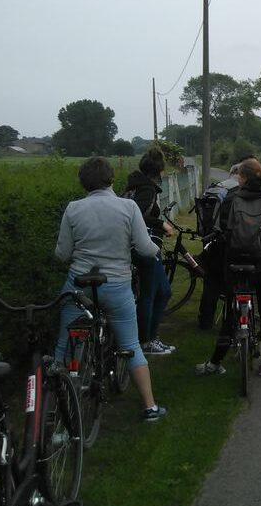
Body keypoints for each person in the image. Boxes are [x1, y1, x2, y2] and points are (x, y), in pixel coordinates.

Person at [54, 157, 168, 422]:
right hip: (116, 284)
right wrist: (156, 250)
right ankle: (150, 407)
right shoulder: (128, 207)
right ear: (111, 179)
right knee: (130, 344)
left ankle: (56, 407)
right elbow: (143, 247)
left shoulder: (73, 208)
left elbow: (62, 254)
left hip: (79, 284)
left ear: (84, 183)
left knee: (63, 344)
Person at [196, 159, 261, 377]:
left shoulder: (230, 198)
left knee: (232, 312)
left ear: (242, 177)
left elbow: (219, 231)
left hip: (237, 264)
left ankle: (215, 363)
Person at [123, 147, 175, 355]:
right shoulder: (147, 189)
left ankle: (150, 338)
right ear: (158, 170)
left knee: (162, 291)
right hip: (144, 247)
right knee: (151, 294)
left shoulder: (134, 185)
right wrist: (160, 224)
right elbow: (135, 216)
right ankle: (146, 341)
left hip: (139, 246)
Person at [197, 162, 245, 329]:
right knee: (231, 283)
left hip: (209, 241)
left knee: (210, 284)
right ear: (240, 174)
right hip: (226, 243)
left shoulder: (214, 188)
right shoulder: (236, 192)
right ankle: (230, 324)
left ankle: (205, 321)